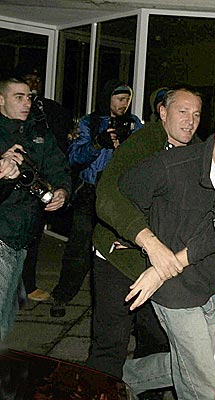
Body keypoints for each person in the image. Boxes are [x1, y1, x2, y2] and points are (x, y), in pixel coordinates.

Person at [87, 88, 215, 393]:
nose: (190, 121)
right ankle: (95, 390)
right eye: (182, 112)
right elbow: (109, 197)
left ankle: (136, 389)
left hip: (165, 267)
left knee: (157, 342)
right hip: (119, 257)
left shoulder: (202, 153)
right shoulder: (143, 145)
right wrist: (145, 241)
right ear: (163, 113)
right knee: (110, 344)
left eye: (196, 114)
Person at [49, 79, 143, 318]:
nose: (124, 104)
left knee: (119, 250)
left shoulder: (133, 123)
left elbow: (142, 157)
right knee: (78, 249)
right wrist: (98, 143)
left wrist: (125, 144)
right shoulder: (88, 122)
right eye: (119, 99)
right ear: (107, 99)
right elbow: (74, 157)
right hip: (90, 193)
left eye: (127, 99)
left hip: (120, 195)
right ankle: (62, 295)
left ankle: (121, 303)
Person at [0, 77, 71, 339]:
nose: (27, 102)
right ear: (1, 100)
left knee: (7, 314)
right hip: (2, 235)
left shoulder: (38, 132)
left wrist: (62, 192)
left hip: (23, 238)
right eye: (18, 97)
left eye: (29, 97)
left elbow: (59, 167)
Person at [14, 63, 74, 302]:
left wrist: (62, 189)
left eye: (36, 81)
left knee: (32, 238)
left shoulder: (45, 112)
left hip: (34, 191)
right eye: (28, 80)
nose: (33, 85)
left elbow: (56, 158)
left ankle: (27, 285)